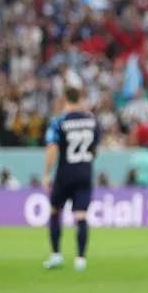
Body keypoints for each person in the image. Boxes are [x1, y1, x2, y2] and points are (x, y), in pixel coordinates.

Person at [42, 87, 99, 272]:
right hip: (85, 172)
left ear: (64, 98)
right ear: (80, 98)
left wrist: (47, 174)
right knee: (81, 215)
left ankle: (56, 255)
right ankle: (80, 260)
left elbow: (52, 149)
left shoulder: (59, 121)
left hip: (65, 173)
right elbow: (95, 149)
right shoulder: (92, 121)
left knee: (54, 211)